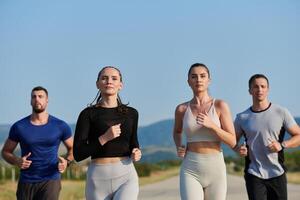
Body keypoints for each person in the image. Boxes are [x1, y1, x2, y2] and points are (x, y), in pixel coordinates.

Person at [73, 66, 142, 200]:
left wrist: (136, 152)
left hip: (126, 175)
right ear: (97, 84)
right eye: (104, 78)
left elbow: (134, 143)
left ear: (120, 85)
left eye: (114, 78)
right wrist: (104, 138)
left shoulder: (132, 114)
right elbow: (78, 153)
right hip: (97, 179)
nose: (109, 81)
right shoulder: (87, 114)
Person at [173, 63, 236, 200]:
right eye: (194, 77)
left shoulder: (220, 105)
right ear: (188, 81)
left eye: (203, 76)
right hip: (190, 168)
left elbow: (232, 141)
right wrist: (179, 146)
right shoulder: (182, 109)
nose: (199, 80)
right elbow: (177, 132)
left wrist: (212, 125)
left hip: (216, 169)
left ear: (209, 80)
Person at [234, 74, 300, 200]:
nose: (260, 90)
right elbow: (232, 141)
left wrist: (282, 145)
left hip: (277, 173)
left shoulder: (281, 112)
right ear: (250, 91)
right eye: (256, 87)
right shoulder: (242, 117)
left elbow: (298, 135)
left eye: (263, 86)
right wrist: (238, 149)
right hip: (254, 174)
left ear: (268, 89)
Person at [1, 86, 73, 200]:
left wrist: (67, 162)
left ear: (47, 100)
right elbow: (5, 152)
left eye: (40, 96)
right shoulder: (19, 127)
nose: (37, 99)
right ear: (30, 101)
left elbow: (73, 149)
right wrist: (16, 160)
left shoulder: (60, 126)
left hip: (51, 179)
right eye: (34, 97)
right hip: (26, 180)